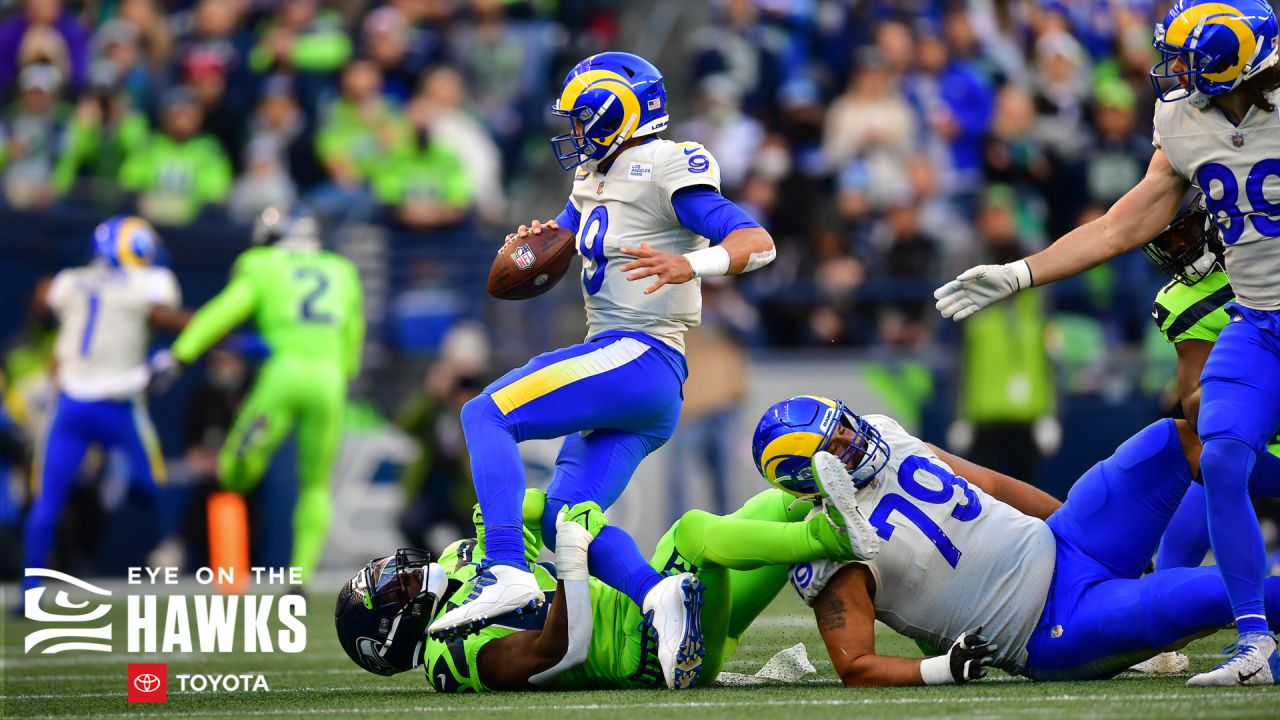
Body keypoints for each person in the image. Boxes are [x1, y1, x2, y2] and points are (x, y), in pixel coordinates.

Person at [933, 0, 1280, 686]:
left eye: (1187, 56)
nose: (1172, 71)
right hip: (1259, 324)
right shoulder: (1184, 120)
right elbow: (1127, 220)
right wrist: (1020, 272)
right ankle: (1254, 645)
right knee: (1224, 455)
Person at [425, 52, 777, 691]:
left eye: (584, 117)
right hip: (640, 377)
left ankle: (504, 568)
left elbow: (756, 240)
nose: (575, 131)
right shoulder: (591, 174)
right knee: (566, 518)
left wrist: (691, 266)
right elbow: (556, 244)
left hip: (640, 352)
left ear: (623, 108)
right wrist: (533, 247)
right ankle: (660, 595)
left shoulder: (669, 160)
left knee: (484, 413)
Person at [752, 396, 1280, 686]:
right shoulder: (826, 546)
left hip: (1066, 545)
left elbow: (994, 484)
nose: (854, 439)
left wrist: (1085, 529)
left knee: (1171, 440)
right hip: (1053, 628)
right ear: (803, 477)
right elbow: (855, 666)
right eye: (835, 446)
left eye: (845, 425)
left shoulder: (888, 433)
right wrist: (939, 670)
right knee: (1231, 592)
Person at [335, 481, 869, 691]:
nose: (399, 574)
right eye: (391, 591)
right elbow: (555, 652)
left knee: (777, 506)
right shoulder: (448, 656)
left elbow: (519, 513)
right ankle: (837, 536)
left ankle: (904, 557)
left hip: (652, 607)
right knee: (694, 531)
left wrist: (556, 517)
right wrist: (572, 559)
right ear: (391, 629)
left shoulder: (458, 558)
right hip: (644, 651)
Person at [157, 207, 363, 587]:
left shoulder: (262, 264)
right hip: (330, 381)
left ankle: (230, 560)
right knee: (316, 485)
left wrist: (179, 354)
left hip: (283, 377)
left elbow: (222, 313)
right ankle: (300, 578)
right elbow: (352, 345)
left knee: (234, 468)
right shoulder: (342, 270)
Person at [22, 216, 185, 593]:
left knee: (47, 501)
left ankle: (29, 594)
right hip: (118, 405)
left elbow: (44, 298)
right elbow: (164, 315)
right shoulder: (151, 282)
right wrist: (213, 333)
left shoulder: (69, 280)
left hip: (70, 404)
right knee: (152, 486)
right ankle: (165, 547)